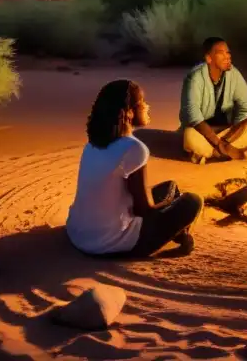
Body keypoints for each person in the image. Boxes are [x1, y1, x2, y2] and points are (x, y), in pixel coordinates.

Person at [66, 79, 204, 257]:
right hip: (109, 244)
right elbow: (143, 211)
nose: (147, 106)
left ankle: (178, 230)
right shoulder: (134, 148)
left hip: (78, 234)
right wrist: (169, 205)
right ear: (129, 113)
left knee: (170, 187)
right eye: (142, 103)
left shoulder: (93, 143)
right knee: (192, 201)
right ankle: (181, 235)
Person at [180, 37, 247, 163]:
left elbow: (246, 110)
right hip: (202, 133)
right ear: (209, 58)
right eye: (221, 53)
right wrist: (218, 143)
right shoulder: (195, 78)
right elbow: (194, 117)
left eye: (228, 52)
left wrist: (229, 139)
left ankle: (210, 154)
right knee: (189, 136)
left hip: (227, 133)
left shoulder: (234, 74)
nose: (227, 56)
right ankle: (223, 152)